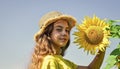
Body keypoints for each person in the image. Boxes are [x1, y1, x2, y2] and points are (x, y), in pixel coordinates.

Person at [29, 11, 105, 69]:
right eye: (59, 29)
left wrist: (103, 43)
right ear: (48, 34)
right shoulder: (50, 60)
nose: (64, 33)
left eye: (67, 30)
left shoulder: (62, 61)